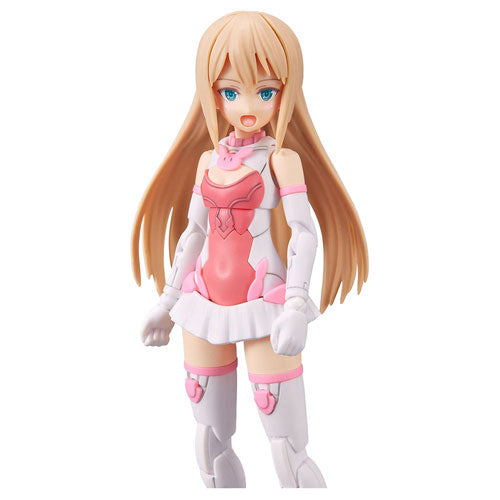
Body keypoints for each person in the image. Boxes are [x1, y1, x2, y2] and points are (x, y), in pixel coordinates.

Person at [131, 11, 368, 488]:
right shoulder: (206, 161)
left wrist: (296, 304)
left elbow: (303, 233)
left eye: (264, 92)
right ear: (211, 93)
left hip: (264, 303)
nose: (246, 106)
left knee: (287, 448)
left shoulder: (282, 160)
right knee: (209, 441)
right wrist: (167, 301)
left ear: (285, 91)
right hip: (202, 301)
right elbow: (193, 233)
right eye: (230, 91)